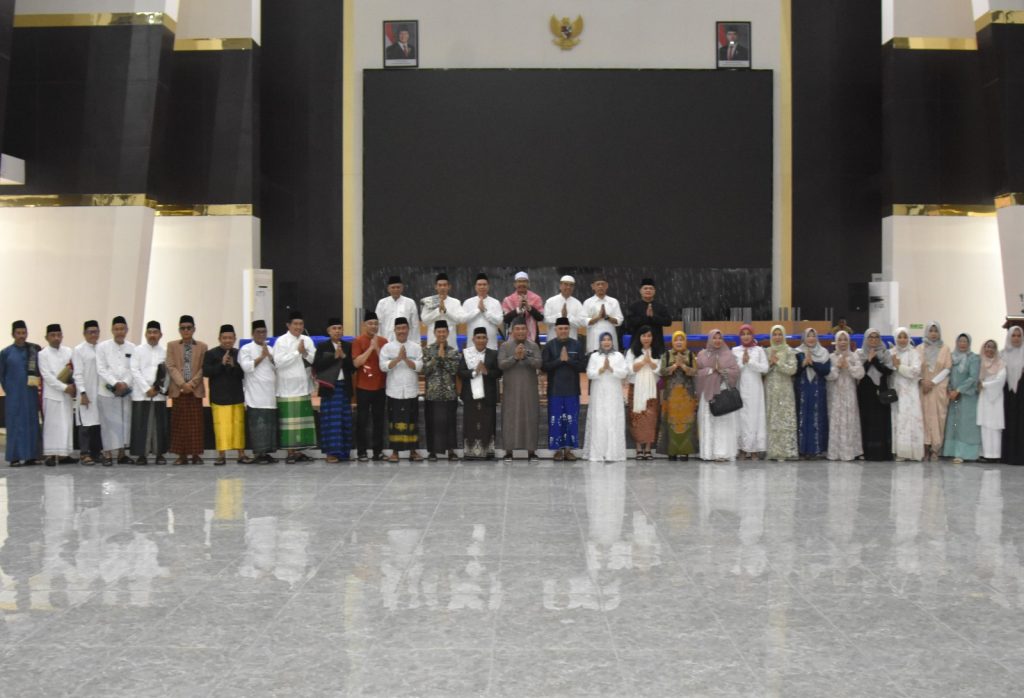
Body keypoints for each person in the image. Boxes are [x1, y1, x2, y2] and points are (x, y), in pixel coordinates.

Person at [274, 310, 318, 464]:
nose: (298, 327)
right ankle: (290, 452)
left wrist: (304, 353)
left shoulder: (307, 340)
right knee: (290, 423)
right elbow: (278, 362)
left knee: (302, 422)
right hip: (287, 388)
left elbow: (315, 359)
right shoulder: (281, 341)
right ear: (288, 325)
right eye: (295, 324)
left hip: (303, 386)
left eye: (301, 324)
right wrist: (296, 352)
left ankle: (299, 451)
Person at [204, 324, 252, 465]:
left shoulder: (239, 353)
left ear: (235, 338)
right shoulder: (211, 354)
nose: (227, 341)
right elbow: (206, 372)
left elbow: (243, 374)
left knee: (238, 426)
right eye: (224, 338)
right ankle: (221, 455)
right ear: (219, 338)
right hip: (219, 397)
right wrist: (221, 363)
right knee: (221, 427)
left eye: (230, 338)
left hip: (236, 395)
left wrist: (232, 365)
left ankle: (241, 454)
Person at [542, 316, 587, 460]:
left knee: (571, 421)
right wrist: (559, 360)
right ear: (555, 330)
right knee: (555, 421)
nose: (563, 331)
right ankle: (557, 450)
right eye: (560, 328)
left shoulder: (577, 345)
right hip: (555, 390)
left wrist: (569, 360)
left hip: (572, 390)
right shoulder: (549, 346)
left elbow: (583, 366)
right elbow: (544, 366)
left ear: (569, 329)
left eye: (566, 328)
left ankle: (568, 450)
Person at [380, 316, 424, 462]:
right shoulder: (387, 347)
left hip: (411, 390)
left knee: (412, 422)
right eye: (398, 328)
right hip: (394, 391)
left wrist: (405, 359)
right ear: (394, 330)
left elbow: (419, 367)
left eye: (404, 328)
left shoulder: (416, 347)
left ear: (408, 329)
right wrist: (398, 358)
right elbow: (383, 367)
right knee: (394, 422)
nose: (401, 331)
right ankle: (395, 452)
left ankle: (413, 452)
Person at [498, 318, 542, 461]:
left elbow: (539, 363)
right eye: (517, 329)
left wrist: (526, 357)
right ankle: (509, 452)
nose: (520, 331)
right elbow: (501, 364)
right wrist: (515, 357)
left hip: (529, 390)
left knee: (531, 418)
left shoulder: (533, 346)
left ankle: (531, 452)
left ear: (527, 331)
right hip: (511, 390)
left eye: (523, 329)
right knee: (509, 419)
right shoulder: (505, 346)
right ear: (512, 331)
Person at [166, 314, 207, 465]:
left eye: (189, 328)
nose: (186, 331)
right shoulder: (172, 345)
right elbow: (171, 366)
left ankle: (196, 455)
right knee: (179, 424)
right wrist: (183, 384)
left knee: (195, 425)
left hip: (195, 390)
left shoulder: (202, 346)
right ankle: (181, 455)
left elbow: (203, 367)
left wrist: (192, 384)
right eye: (183, 328)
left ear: (194, 329)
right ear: (179, 330)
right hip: (179, 390)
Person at [314, 318, 355, 463]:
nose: (337, 331)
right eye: (334, 328)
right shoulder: (322, 346)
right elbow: (317, 366)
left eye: (339, 328)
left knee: (344, 421)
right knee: (331, 422)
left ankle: (344, 453)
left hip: (344, 387)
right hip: (329, 388)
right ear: (328, 331)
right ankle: (331, 453)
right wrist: (334, 357)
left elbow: (352, 368)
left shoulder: (348, 346)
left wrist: (343, 356)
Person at [0, 321, 41, 466]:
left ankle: (31, 456)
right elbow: (2, 375)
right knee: (15, 424)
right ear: (13, 334)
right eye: (18, 333)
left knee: (31, 423)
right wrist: (10, 390)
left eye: (24, 333)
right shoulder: (6, 353)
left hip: (30, 394)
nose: (21, 336)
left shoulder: (33, 351)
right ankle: (15, 457)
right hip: (14, 396)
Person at [457, 327, 502, 460]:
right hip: (470, 395)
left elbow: (499, 372)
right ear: (473, 339)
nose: (481, 340)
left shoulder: (493, 354)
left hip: (488, 395)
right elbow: (460, 372)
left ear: (487, 340)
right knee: (471, 424)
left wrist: (486, 371)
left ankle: (488, 453)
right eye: (478, 338)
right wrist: (474, 372)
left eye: (483, 338)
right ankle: (470, 453)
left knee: (488, 424)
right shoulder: (466, 353)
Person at [96, 316, 135, 465]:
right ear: (112, 330)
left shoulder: (132, 347)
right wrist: (115, 383)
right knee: (108, 424)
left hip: (125, 392)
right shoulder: (102, 347)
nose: (119, 332)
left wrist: (124, 383)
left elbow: (133, 368)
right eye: (116, 329)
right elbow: (101, 368)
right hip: (107, 391)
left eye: (122, 329)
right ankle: (107, 455)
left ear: (127, 330)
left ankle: (121, 454)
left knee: (124, 423)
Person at [584, 332, 628, 462]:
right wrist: (601, 370)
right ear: (600, 342)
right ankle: (598, 453)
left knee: (613, 419)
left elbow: (624, 373)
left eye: (609, 339)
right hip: (598, 392)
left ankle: (613, 454)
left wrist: (612, 369)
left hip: (614, 392)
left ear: (613, 342)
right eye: (604, 340)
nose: (606, 342)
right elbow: (589, 374)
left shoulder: (619, 356)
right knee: (599, 419)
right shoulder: (594, 356)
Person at [696, 329, 740, 461]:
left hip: (722, 392)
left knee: (722, 422)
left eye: (719, 338)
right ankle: (708, 453)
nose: (717, 340)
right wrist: (711, 370)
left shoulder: (728, 354)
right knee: (709, 421)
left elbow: (735, 372)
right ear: (710, 339)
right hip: (708, 392)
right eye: (714, 338)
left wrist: (723, 370)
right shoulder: (702, 354)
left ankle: (722, 453)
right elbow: (697, 373)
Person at [238, 319, 278, 464]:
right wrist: (262, 356)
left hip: (270, 393)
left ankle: (266, 453)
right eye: (258, 332)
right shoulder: (246, 349)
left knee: (269, 425)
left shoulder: (271, 349)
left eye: (264, 332)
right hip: (255, 394)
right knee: (258, 425)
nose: (261, 334)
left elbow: (278, 367)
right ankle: (258, 453)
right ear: (253, 333)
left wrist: (270, 356)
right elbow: (246, 367)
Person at [130, 320, 169, 464]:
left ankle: (159, 454)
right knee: (141, 425)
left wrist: (158, 388)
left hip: (158, 394)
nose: (152, 335)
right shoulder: (138, 350)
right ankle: (142, 455)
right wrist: (146, 389)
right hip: (142, 394)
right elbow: (134, 370)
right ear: (146, 334)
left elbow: (167, 372)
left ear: (160, 335)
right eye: (150, 332)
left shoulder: (165, 351)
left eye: (155, 332)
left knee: (159, 425)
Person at [421, 320, 461, 461]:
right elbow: (425, 370)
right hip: (433, 393)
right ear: (434, 333)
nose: (442, 334)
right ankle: (432, 452)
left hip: (449, 393)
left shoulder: (454, 352)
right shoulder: (427, 350)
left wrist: (443, 359)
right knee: (432, 423)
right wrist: (437, 358)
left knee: (450, 423)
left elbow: (454, 370)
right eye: (439, 332)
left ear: (448, 333)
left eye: (444, 331)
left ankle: (451, 451)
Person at [351, 310, 388, 461]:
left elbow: (385, 363)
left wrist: (377, 348)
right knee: (362, 421)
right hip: (363, 387)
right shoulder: (358, 341)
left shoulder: (384, 341)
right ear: (364, 325)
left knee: (379, 421)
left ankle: (378, 452)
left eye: (376, 324)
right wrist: (370, 348)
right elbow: (356, 363)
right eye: (370, 323)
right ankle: (362, 452)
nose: (373, 326)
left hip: (380, 387)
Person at [38, 323, 76, 466]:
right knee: (52, 426)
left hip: (66, 395)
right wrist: (64, 387)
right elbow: (47, 376)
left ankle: (63, 455)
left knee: (66, 425)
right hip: (52, 395)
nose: (56, 338)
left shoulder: (68, 351)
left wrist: (72, 386)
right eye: (53, 335)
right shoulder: (42, 354)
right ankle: (50, 455)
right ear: (46, 337)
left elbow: (73, 370)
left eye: (58, 335)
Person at [658, 330, 699, 460]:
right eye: (676, 340)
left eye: (681, 340)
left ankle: (685, 452)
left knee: (686, 421)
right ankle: (672, 452)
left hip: (687, 395)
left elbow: (695, 372)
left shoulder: (691, 355)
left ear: (685, 342)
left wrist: (684, 367)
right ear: (673, 342)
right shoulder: (667, 355)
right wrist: (675, 365)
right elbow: (662, 371)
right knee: (671, 422)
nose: (679, 342)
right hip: (671, 395)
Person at [942, 333, 981, 464]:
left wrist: (959, 390)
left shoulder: (973, 358)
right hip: (953, 396)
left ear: (969, 343)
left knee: (965, 426)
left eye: (965, 341)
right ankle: (951, 452)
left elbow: (973, 377)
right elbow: (948, 375)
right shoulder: (952, 357)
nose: (963, 344)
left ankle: (964, 453)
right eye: (960, 341)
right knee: (953, 424)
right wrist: (950, 390)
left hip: (967, 396)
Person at [825, 330, 864, 461]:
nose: (842, 342)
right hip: (835, 394)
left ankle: (850, 451)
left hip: (849, 393)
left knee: (849, 420)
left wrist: (849, 367)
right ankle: (835, 452)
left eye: (845, 339)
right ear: (836, 342)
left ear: (849, 341)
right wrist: (837, 367)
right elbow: (829, 376)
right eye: (840, 340)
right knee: (836, 420)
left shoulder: (854, 356)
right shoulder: (831, 357)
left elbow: (860, 374)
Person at [856, 328, 894, 461]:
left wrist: (875, 360)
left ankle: (882, 452)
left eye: (876, 337)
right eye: (870, 337)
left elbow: (888, 371)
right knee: (867, 421)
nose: (873, 340)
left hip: (881, 391)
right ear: (866, 339)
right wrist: (868, 360)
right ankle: (867, 452)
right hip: (865, 391)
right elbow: (859, 372)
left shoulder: (885, 353)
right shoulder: (859, 353)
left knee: (881, 421)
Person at [731, 324, 768, 458]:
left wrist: (750, 362)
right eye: (743, 334)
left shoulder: (759, 350)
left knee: (754, 416)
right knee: (741, 416)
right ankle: (742, 448)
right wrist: (742, 362)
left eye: (748, 333)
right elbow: (732, 370)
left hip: (755, 389)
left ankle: (754, 449)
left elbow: (765, 368)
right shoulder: (735, 350)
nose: (746, 336)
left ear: (752, 335)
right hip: (740, 387)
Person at [917, 321, 952, 461]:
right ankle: (924, 446)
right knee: (924, 417)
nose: (933, 334)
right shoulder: (919, 348)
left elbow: (947, 368)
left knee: (938, 417)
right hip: (923, 388)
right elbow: (915, 369)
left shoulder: (945, 349)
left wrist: (932, 382)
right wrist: (922, 381)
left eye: (936, 331)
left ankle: (935, 448)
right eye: (931, 331)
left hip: (938, 387)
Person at [626, 326, 661, 459]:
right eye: (643, 336)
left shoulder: (657, 351)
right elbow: (628, 369)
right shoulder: (632, 352)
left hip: (652, 389)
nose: (646, 338)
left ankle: (648, 448)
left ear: (653, 338)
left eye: (649, 336)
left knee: (651, 419)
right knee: (636, 417)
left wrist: (650, 362)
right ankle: (638, 448)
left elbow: (660, 371)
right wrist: (642, 362)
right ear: (639, 337)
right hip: (636, 388)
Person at [794, 328, 831, 458]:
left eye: (813, 336)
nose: (811, 339)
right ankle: (802, 449)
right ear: (804, 338)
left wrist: (812, 363)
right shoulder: (798, 352)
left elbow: (826, 370)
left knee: (817, 416)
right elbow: (794, 371)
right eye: (808, 336)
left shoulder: (823, 352)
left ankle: (817, 449)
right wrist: (803, 364)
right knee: (802, 416)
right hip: (802, 388)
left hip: (817, 388)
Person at [764, 325, 798, 461]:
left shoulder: (789, 351)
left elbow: (792, 370)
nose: (777, 337)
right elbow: (762, 371)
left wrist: (777, 363)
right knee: (772, 418)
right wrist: (770, 364)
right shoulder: (767, 351)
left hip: (785, 390)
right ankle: (773, 451)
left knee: (785, 418)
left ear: (783, 336)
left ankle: (786, 451)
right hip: (771, 389)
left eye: (780, 334)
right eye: (775, 334)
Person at [890, 327, 924, 461]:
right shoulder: (891, 352)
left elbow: (915, 372)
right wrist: (893, 366)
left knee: (911, 420)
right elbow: (887, 370)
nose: (902, 340)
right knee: (898, 420)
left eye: (905, 337)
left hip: (910, 392)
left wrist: (899, 367)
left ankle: (913, 452)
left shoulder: (914, 353)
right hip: (896, 391)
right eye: (899, 337)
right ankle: (901, 452)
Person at [72, 320, 102, 465]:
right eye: (90, 332)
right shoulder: (79, 350)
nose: (93, 335)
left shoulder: (101, 348)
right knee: (85, 424)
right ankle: (84, 453)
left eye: (96, 332)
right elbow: (77, 373)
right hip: (86, 392)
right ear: (84, 333)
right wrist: (83, 392)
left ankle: (96, 453)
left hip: (100, 392)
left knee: (97, 424)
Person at [624, 278, 672, 356]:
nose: (648, 290)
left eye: (650, 288)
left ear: (654, 291)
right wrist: (645, 317)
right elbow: (628, 323)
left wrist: (654, 317)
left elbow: (668, 322)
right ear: (640, 291)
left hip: (657, 343)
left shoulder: (661, 306)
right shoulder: (633, 306)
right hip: (638, 343)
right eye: (645, 288)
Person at [977, 339, 1006, 462]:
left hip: (996, 397)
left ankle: (995, 455)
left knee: (994, 426)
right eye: (987, 346)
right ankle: (985, 453)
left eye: (992, 347)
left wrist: (985, 385)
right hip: (984, 397)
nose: (989, 349)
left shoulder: (1000, 363)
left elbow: (1000, 380)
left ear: (996, 349)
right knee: (985, 425)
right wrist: (981, 385)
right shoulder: (980, 362)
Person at [421, 272, 464, 350]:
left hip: (450, 343)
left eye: (444, 285)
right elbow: (425, 320)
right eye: (440, 285)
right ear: (436, 287)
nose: (442, 287)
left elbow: (459, 320)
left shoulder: (455, 302)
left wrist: (446, 312)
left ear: (449, 286)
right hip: (432, 343)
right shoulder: (429, 301)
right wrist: (438, 311)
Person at [462, 273, 504, 350]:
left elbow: (499, 321)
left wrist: (484, 311)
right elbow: (463, 319)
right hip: (472, 346)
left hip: (491, 345)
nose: (482, 287)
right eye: (479, 285)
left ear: (488, 286)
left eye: (484, 284)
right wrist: (477, 310)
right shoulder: (468, 302)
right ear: (475, 287)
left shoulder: (495, 302)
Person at [582, 276, 623, 353]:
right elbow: (583, 321)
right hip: (594, 341)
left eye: (602, 284)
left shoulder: (613, 301)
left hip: (610, 339)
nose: (600, 286)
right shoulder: (587, 302)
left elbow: (619, 320)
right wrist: (598, 317)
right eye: (598, 284)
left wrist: (607, 317)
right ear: (593, 286)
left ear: (606, 286)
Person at [501, 271, 545, 343]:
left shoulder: (536, 298)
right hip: (513, 339)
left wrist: (529, 307)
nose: (521, 284)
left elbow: (540, 318)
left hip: (533, 338)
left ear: (528, 284)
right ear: (515, 284)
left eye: (524, 281)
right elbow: (506, 319)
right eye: (519, 281)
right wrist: (518, 309)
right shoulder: (508, 300)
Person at [1002, 325, 1024, 465]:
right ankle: (1007, 456)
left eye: (1019, 335)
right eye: (1013, 335)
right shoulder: (1002, 354)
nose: (1016, 338)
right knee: (1008, 423)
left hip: (1022, 393)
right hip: (1007, 394)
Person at [375, 275, 419, 342]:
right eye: (393, 287)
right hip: (386, 340)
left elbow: (415, 325)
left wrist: (416, 342)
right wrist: (379, 341)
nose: (396, 289)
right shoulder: (382, 303)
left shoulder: (410, 302)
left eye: (398, 287)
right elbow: (377, 323)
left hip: (406, 341)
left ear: (402, 288)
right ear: (388, 289)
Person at [543, 275, 587, 343]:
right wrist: (560, 315)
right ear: (560, 286)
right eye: (566, 284)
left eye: (571, 285)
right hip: (553, 341)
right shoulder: (550, 301)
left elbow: (582, 322)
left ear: (573, 288)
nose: (568, 287)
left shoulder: (577, 303)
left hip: (572, 341)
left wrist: (568, 316)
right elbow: (545, 320)